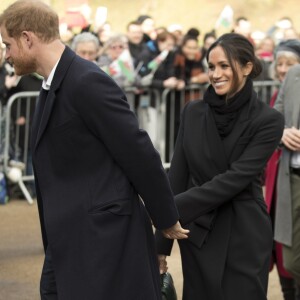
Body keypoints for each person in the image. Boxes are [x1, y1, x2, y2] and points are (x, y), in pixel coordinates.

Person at [0, 1, 189, 299]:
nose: (6, 54)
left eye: (7, 44)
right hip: (69, 239)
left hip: (103, 241)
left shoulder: (86, 81)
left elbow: (136, 149)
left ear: (27, 38)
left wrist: (165, 217)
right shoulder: (52, 85)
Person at [155, 33, 284, 300]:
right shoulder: (192, 112)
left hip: (244, 232)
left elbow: (235, 178)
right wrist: (161, 245)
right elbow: (177, 175)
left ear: (247, 67)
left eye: (225, 66)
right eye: (211, 67)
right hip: (200, 234)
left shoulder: (268, 120)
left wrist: (170, 209)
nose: (215, 74)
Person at [264, 39, 300, 300]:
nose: (284, 69)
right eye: (280, 64)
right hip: (285, 181)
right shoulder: (286, 86)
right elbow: (270, 123)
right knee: (285, 253)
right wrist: (281, 132)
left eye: (290, 63)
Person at [274, 63, 300, 299]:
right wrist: (281, 132)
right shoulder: (293, 74)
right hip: (292, 179)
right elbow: (274, 119)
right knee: (292, 262)